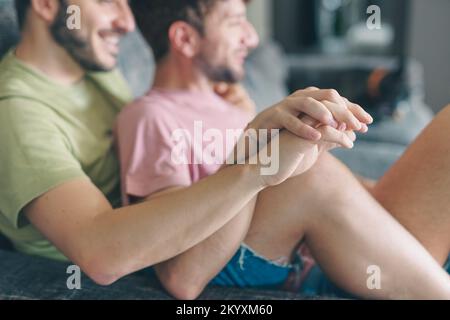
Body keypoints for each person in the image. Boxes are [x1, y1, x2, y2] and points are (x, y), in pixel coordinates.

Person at [0, 0, 447, 300]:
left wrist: (230, 115)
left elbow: (176, 122)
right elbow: (102, 254)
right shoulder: (19, 114)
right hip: (200, 250)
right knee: (306, 175)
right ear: (43, 4)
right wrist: (255, 156)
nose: (127, 20)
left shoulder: (93, 71)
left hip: (240, 215)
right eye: (105, 1)